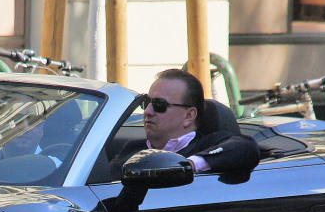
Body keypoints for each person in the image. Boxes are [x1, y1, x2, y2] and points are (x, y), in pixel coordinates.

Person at [110, 68, 260, 177]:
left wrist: (189, 165)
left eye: (159, 104)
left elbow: (246, 147)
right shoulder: (132, 149)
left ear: (189, 115)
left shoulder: (209, 144)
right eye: (147, 102)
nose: (148, 111)